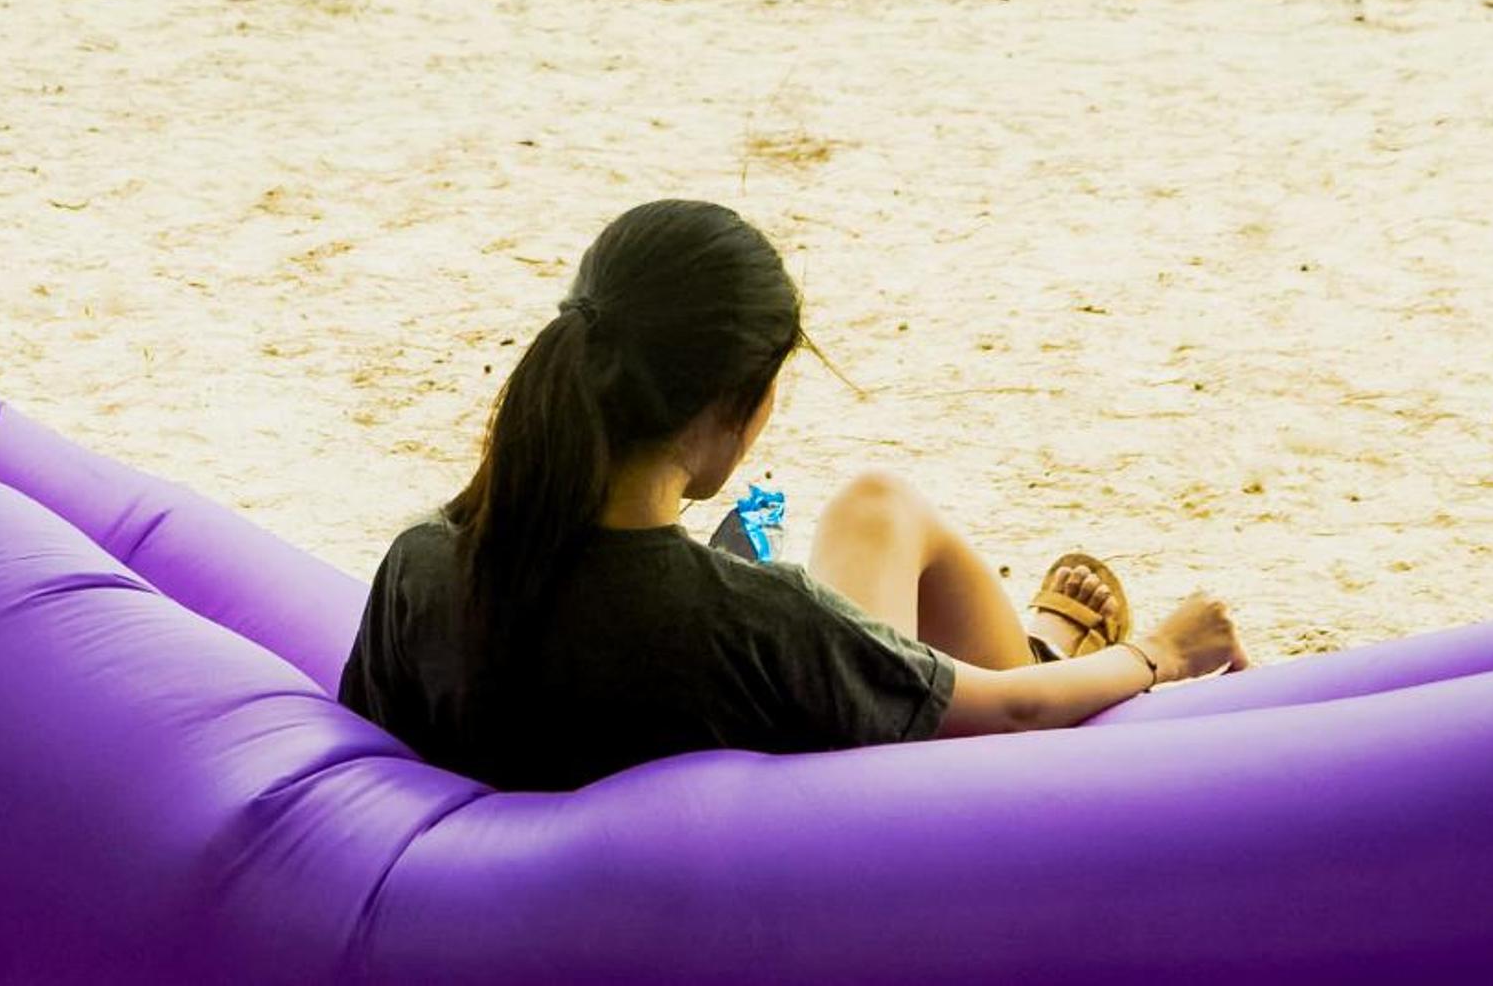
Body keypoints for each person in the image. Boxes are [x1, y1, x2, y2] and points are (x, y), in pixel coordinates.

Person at [337, 198, 1250, 792]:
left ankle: (1042, 643)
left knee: (874, 507)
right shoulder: (752, 620)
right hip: (839, 857)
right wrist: (1163, 650)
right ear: (737, 407)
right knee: (890, 515)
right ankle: (1045, 648)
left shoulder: (426, 564)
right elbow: (1012, 714)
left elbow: (371, 762)